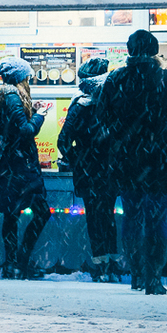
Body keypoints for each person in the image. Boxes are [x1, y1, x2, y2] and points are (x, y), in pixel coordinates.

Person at [97, 29, 167, 295]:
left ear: (129, 50)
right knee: (156, 219)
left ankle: (136, 273)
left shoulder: (116, 79)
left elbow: (101, 115)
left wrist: (122, 132)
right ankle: (153, 277)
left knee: (132, 217)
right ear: (154, 50)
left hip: (127, 159)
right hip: (159, 159)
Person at [0, 56, 51, 279]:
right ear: (20, 78)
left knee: (11, 216)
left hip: (8, 168)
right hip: (19, 168)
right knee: (40, 213)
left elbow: (13, 127)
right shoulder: (11, 97)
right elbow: (26, 131)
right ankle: (21, 262)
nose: (29, 82)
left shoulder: (3, 96)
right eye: (27, 77)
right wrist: (39, 116)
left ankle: (12, 264)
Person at [57, 57, 120, 282]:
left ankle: (100, 265)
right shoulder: (116, 103)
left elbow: (63, 142)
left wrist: (79, 158)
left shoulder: (80, 106)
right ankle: (113, 265)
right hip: (111, 171)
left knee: (94, 218)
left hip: (88, 172)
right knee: (109, 215)